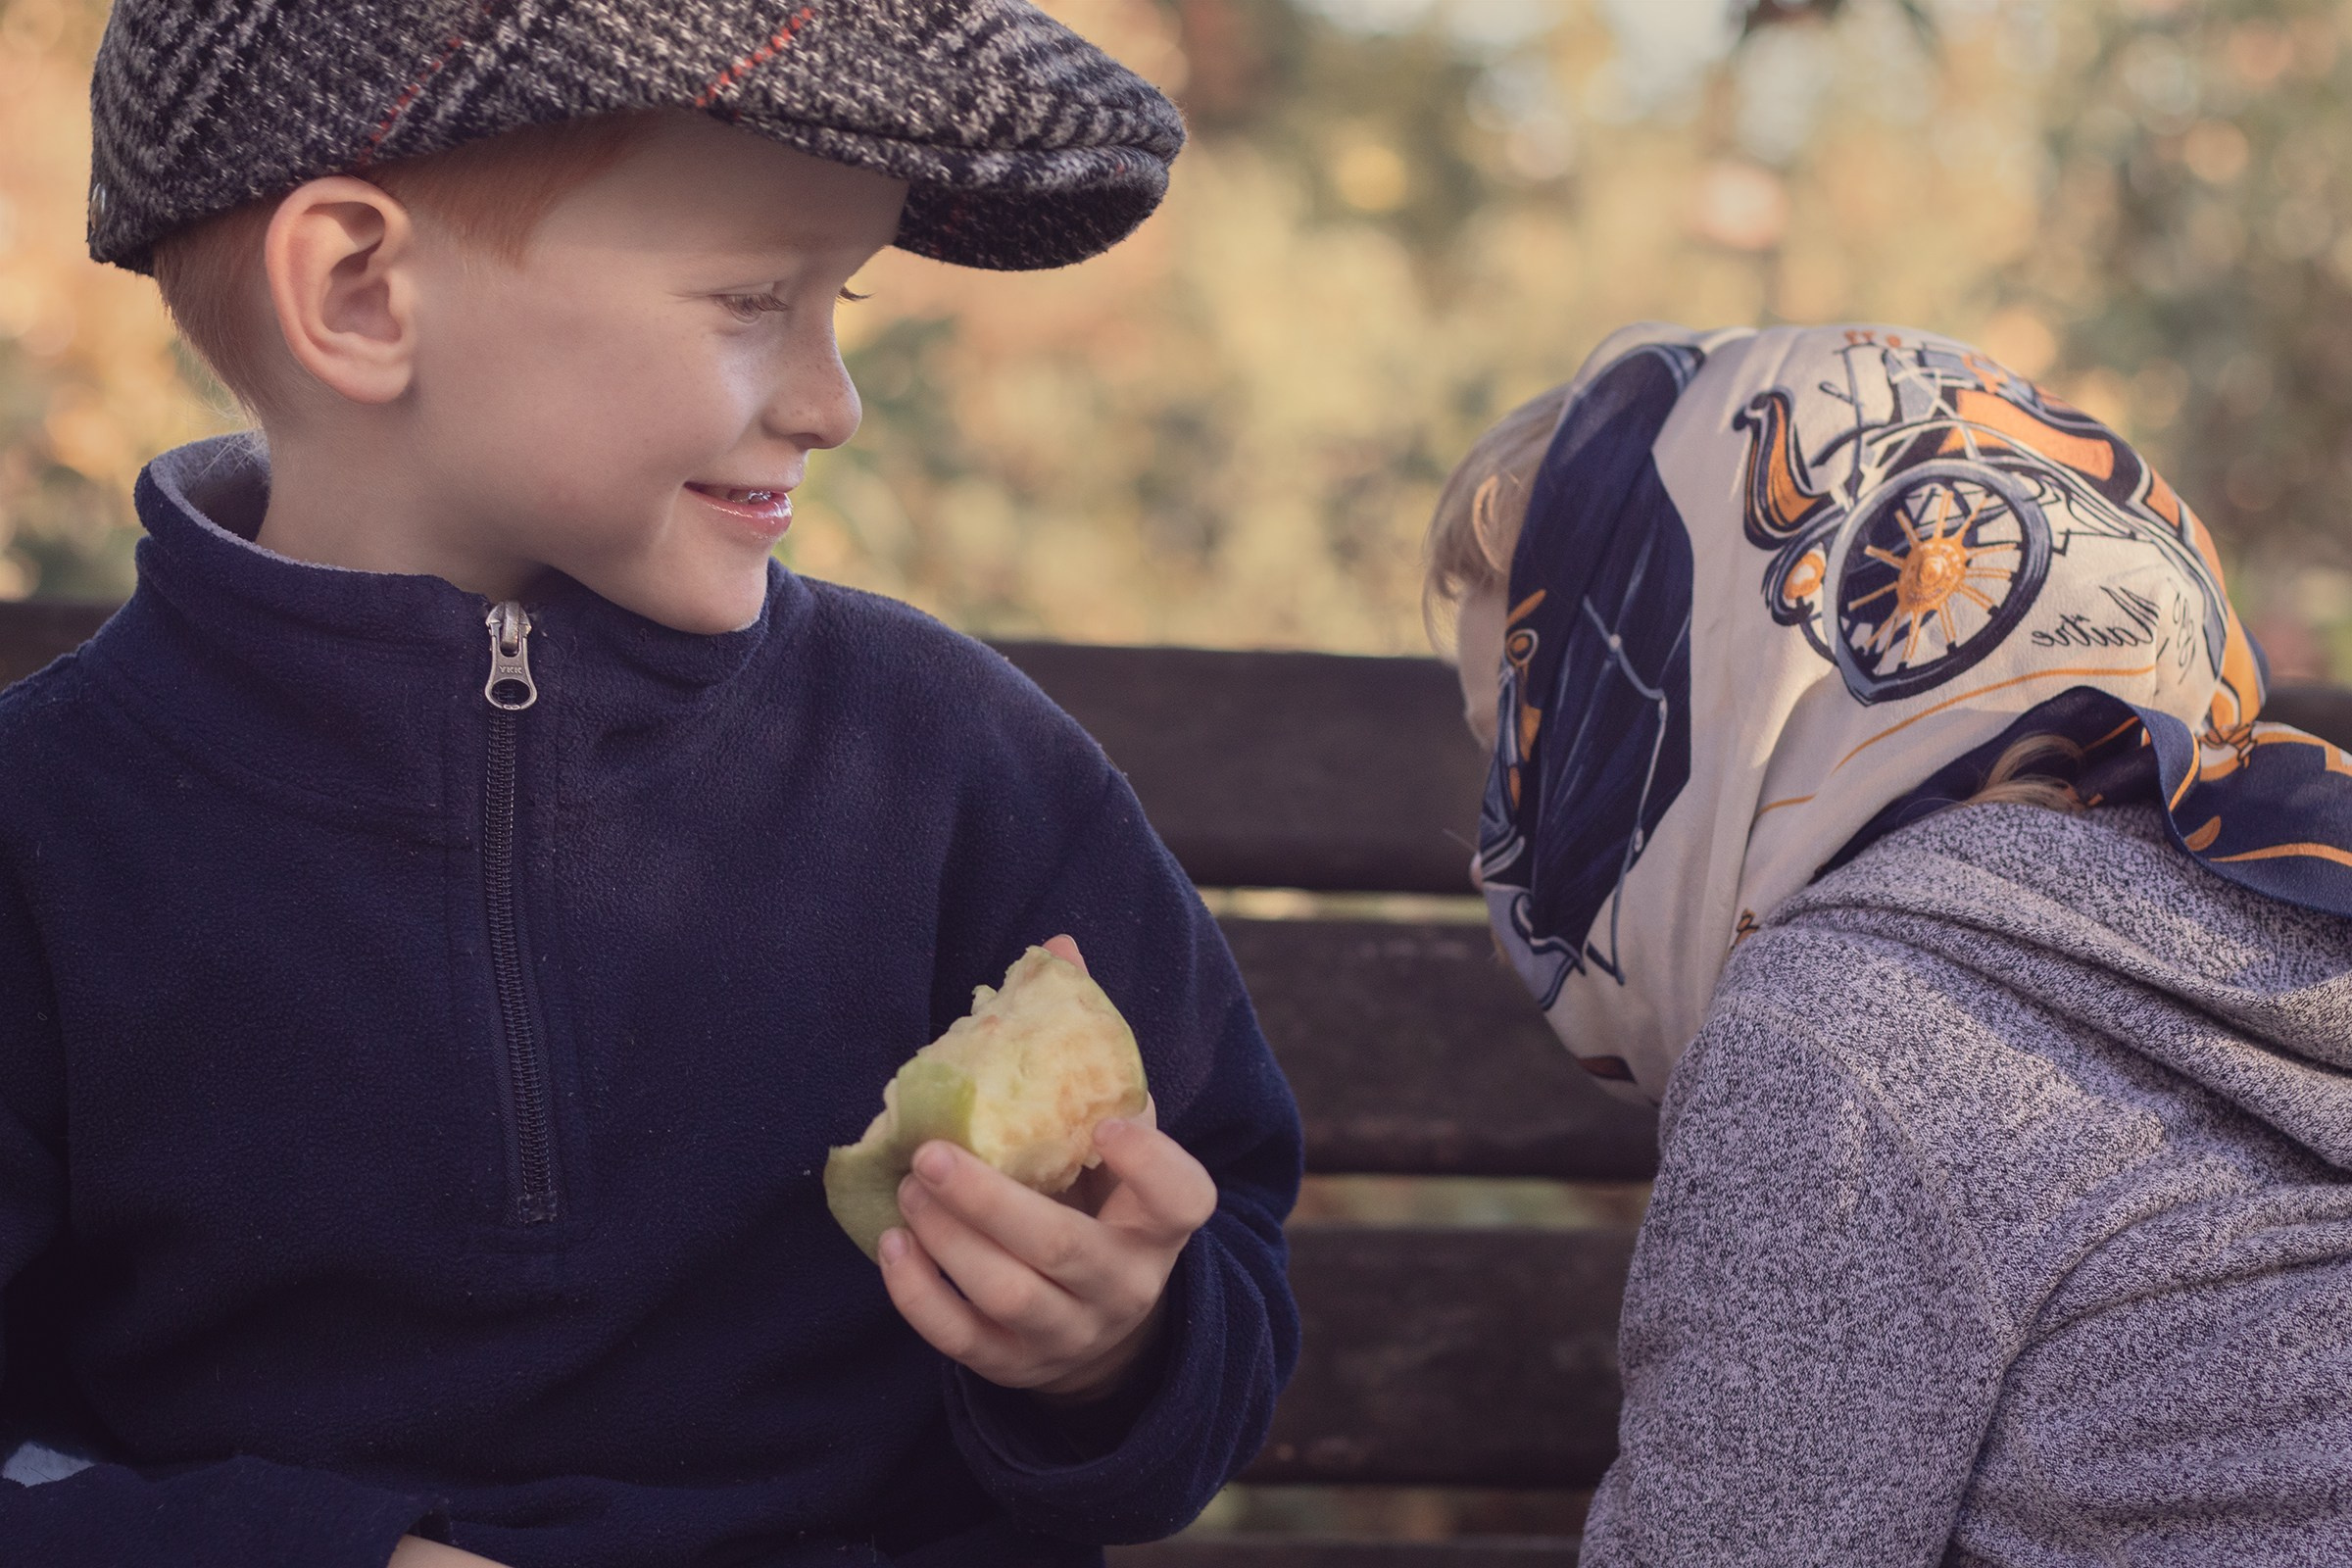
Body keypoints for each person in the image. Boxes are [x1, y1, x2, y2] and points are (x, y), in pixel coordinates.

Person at [0, 5, 1300, 1566]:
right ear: (360, 292)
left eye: (843, 304)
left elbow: (1221, 1257)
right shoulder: (51, 836)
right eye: (755, 298)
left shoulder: (951, 764)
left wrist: (1109, 1353)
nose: (833, 400)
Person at [1428, 321, 2352, 1563]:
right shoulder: (2269, 907)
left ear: (1707, 686)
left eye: (1524, 741)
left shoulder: (1843, 1038)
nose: (1501, 841)